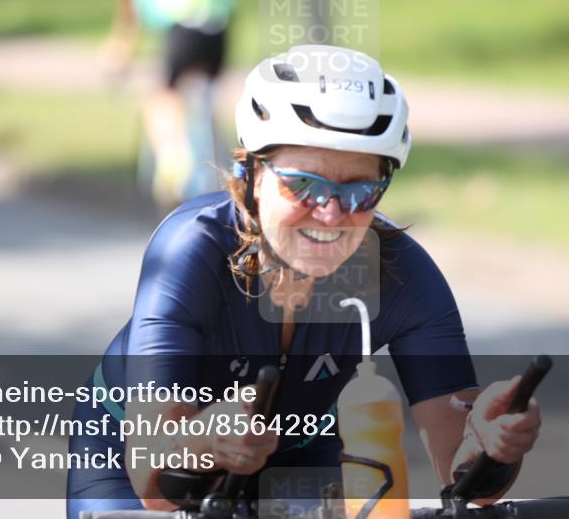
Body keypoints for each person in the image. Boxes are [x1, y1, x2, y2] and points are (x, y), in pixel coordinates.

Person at [67, 45, 541, 517]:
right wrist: (206, 438)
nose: (332, 214)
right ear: (252, 174)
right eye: (304, 184)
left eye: (360, 190)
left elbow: (468, 487)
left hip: (299, 452)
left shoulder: (404, 275)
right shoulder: (191, 250)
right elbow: (155, 481)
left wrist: (490, 447)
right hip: (129, 449)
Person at [106, 0, 235, 207]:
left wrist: (118, 61)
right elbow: (227, 6)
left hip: (181, 34)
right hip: (216, 35)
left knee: (163, 97)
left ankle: (174, 157)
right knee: (205, 97)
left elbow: (129, 26)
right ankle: (216, 165)